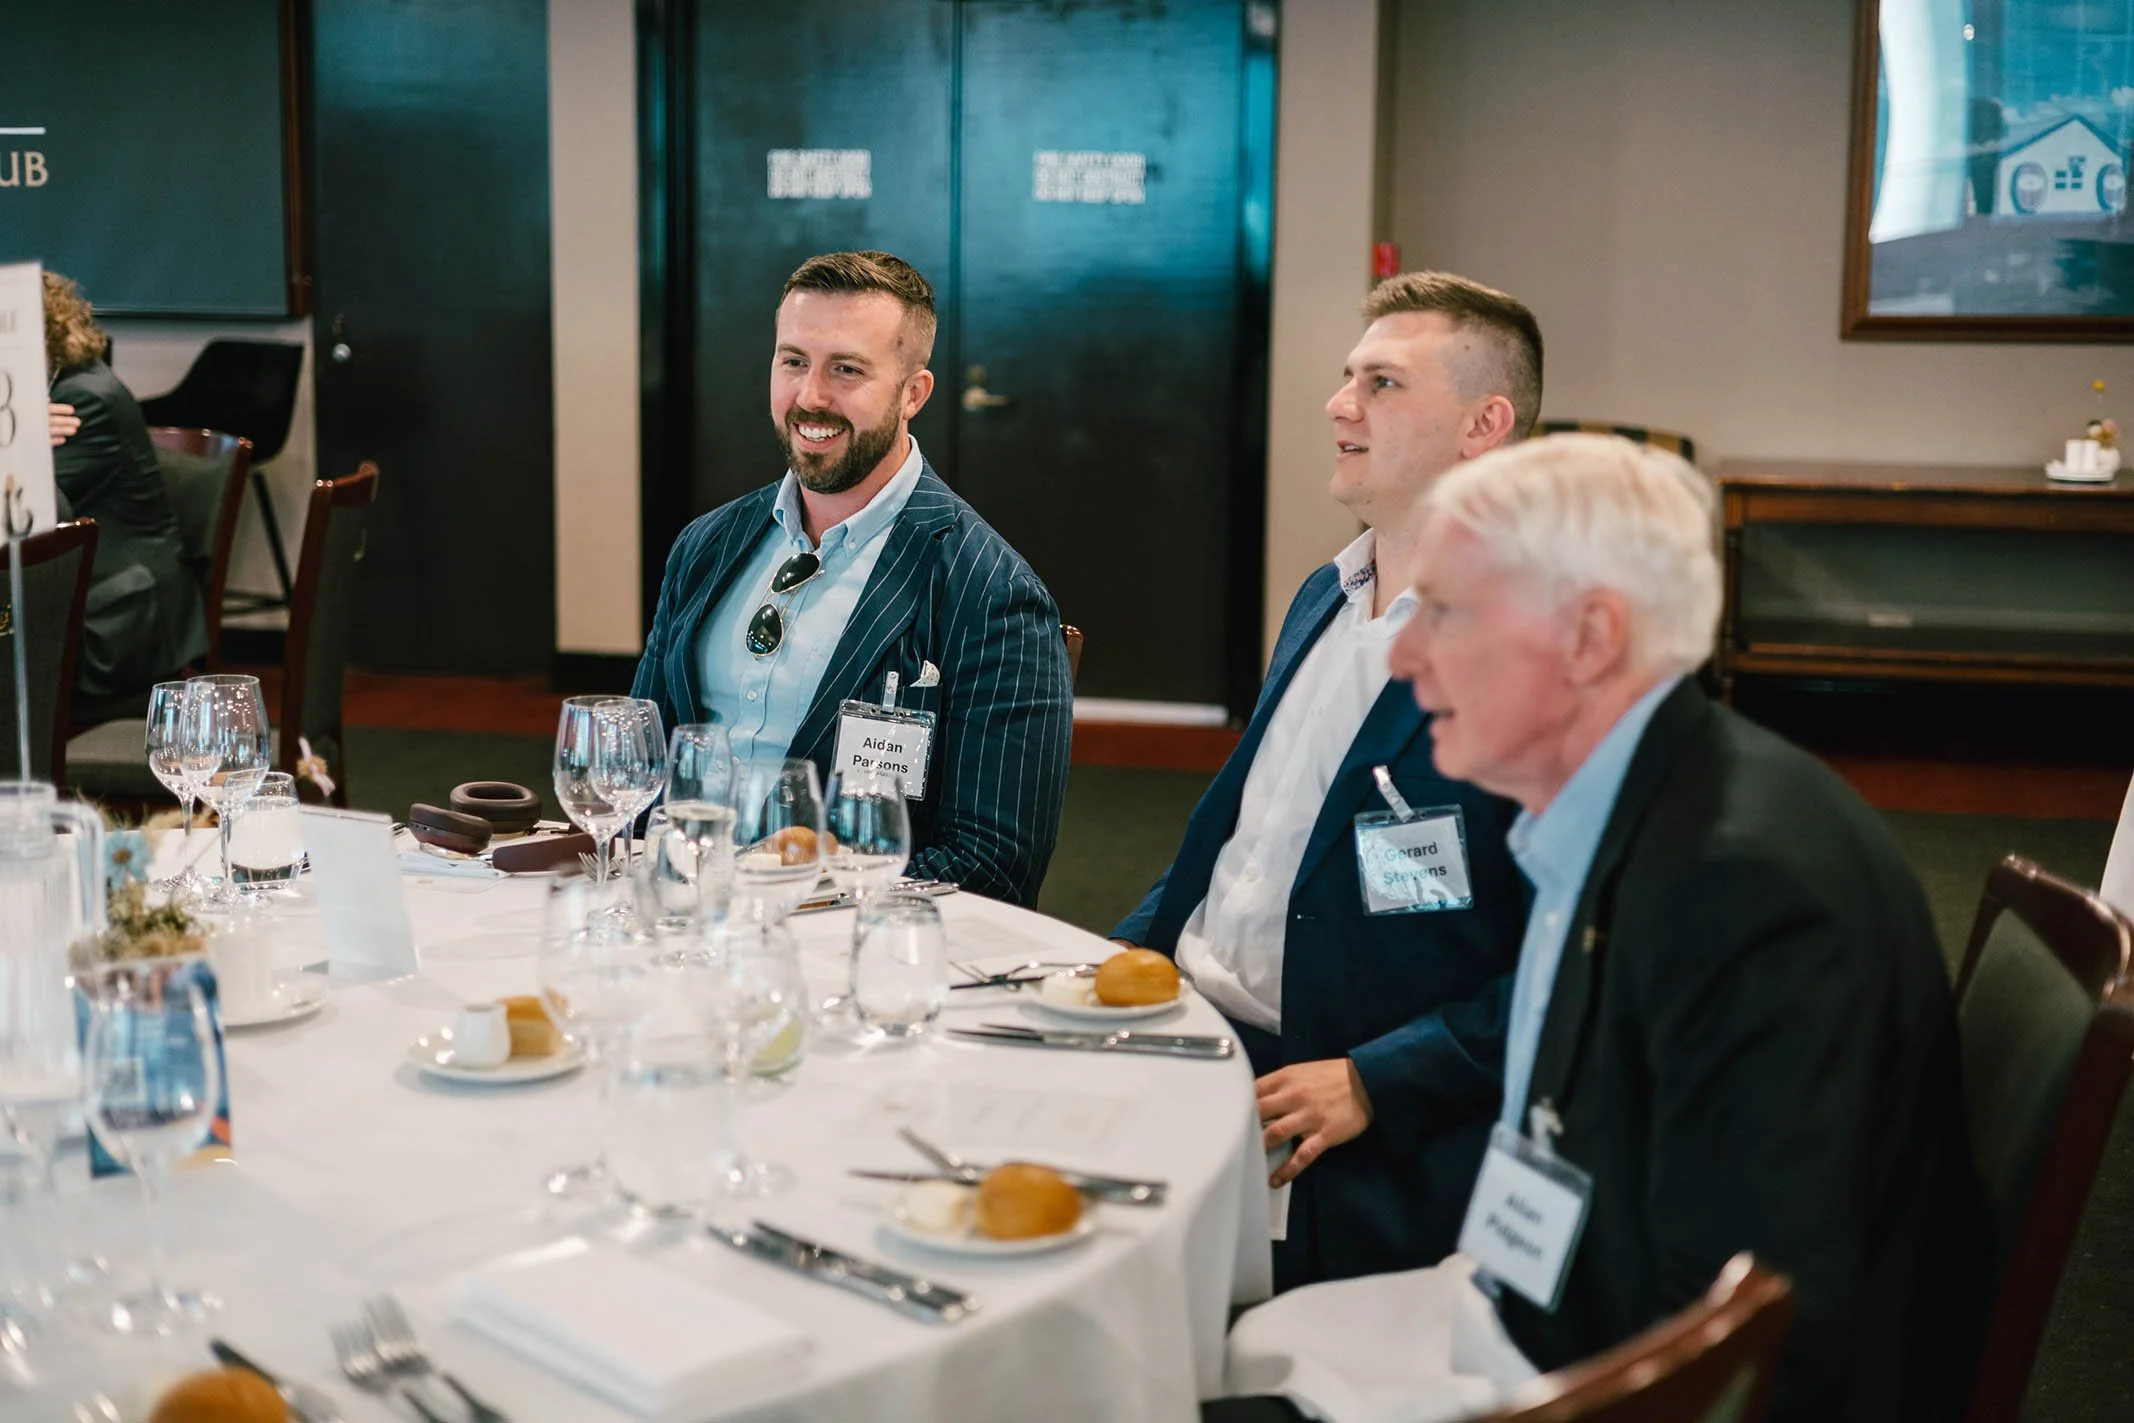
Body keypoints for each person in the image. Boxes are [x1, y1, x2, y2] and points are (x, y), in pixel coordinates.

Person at [1218, 434, 1984, 1423]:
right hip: (1542, 1308)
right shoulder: (1627, 804)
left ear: (1589, 636)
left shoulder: (1741, 887)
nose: (1403, 654)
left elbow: (1747, 1336)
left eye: (1444, 613)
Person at [1112, 272, 1542, 1289]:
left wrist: (1376, 1081)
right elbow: (1248, 839)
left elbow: (1578, 961)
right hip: (1194, 1027)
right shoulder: (1326, 591)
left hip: (1342, 1109)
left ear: (1484, 425)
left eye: (1382, 384)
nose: (1337, 405)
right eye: (1349, 378)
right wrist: (1126, 957)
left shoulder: (1530, 653)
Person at [632, 251, 1073, 906]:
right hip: (677, 922)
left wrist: (792, 898)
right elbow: (640, 774)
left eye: (846, 369)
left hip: (846, 948)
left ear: (913, 393)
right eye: (794, 362)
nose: (810, 396)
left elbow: (992, 866)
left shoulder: (990, 592)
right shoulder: (707, 545)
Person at [44, 272, 206, 706]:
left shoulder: (80, 400)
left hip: (117, 623)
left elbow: (32, 508)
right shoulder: (66, 384)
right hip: (92, 599)